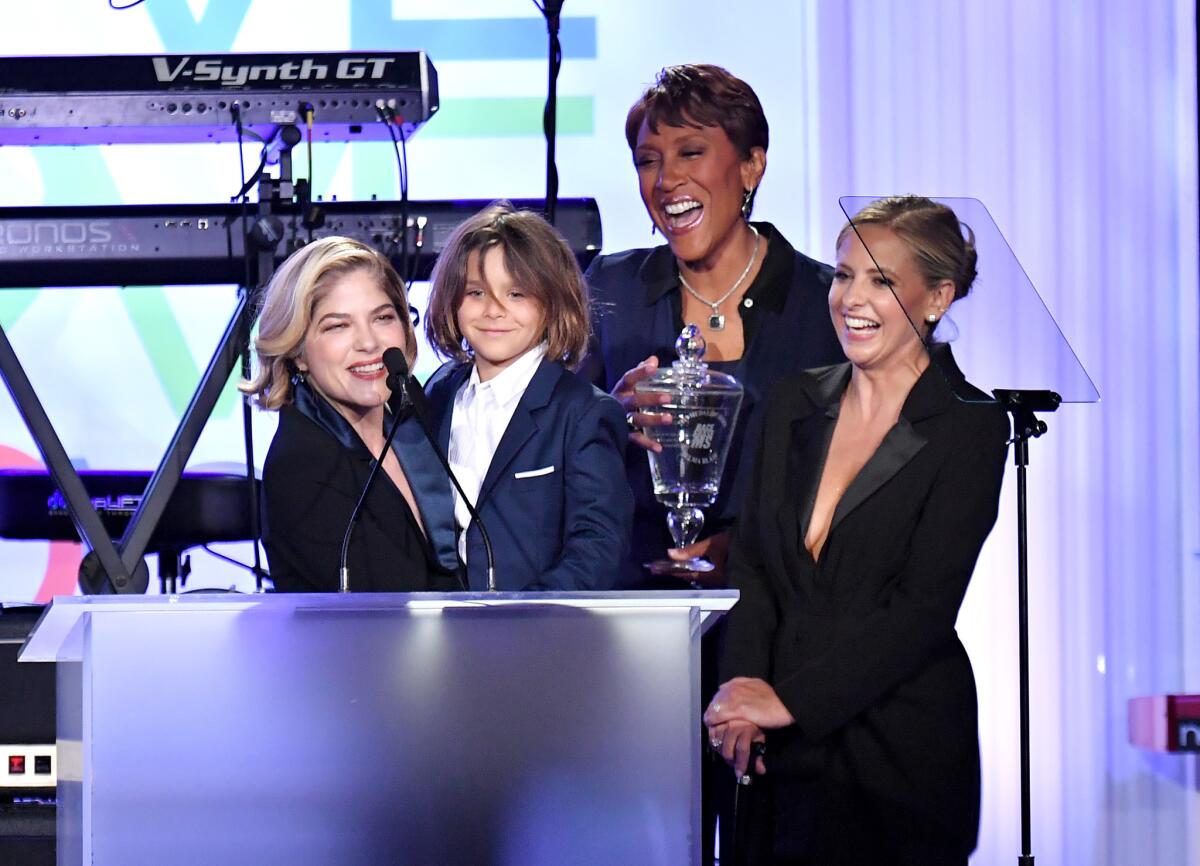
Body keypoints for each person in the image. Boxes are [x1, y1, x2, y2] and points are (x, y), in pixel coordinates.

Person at [704, 195, 1010, 865]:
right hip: (774, 758)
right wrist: (742, 695)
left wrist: (788, 702)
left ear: (937, 297)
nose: (851, 297)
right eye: (844, 275)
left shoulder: (971, 427)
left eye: (881, 279)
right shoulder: (793, 400)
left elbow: (921, 612)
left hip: (896, 757)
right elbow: (753, 565)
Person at [580, 63, 845, 589]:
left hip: (785, 606)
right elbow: (551, 456)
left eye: (691, 153)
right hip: (639, 600)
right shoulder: (610, 289)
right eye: (648, 161)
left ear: (751, 166)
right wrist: (609, 415)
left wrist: (748, 550)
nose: (665, 180)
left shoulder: (825, 303)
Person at [423, 202, 633, 592]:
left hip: (538, 637)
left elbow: (596, 549)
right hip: (441, 634)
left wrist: (520, 618)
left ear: (552, 302)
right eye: (476, 292)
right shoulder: (438, 395)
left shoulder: (583, 412)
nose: (494, 311)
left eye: (516, 293)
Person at [243, 236, 461, 593]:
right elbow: (387, 603)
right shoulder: (302, 465)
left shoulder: (415, 420)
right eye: (337, 326)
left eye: (382, 318)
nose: (368, 342)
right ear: (297, 351)